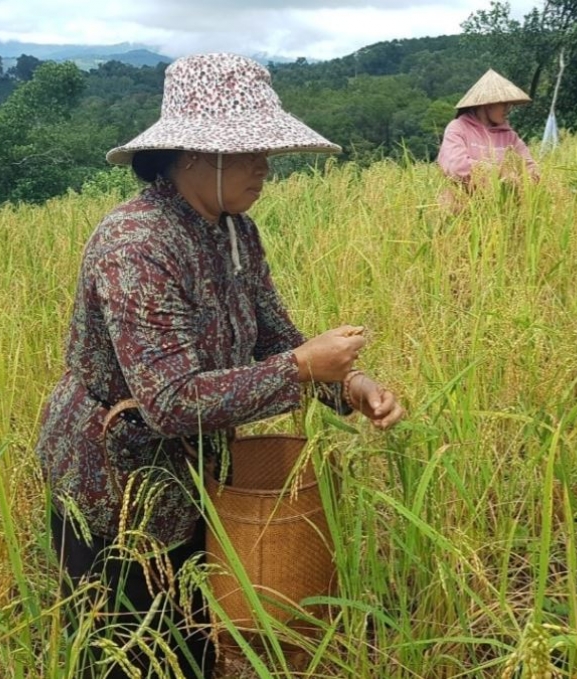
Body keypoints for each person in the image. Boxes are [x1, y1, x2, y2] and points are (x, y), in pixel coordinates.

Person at [35, 52, 405, 678]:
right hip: (113, 483)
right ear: (191, 156)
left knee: (192, 638)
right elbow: (172, 401)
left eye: (267, 151)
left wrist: (350, 386)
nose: (265, 166)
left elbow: (273, 337)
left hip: (196, 476)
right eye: (248, 150)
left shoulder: (237, 230)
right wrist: (302, 367)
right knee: (126, 648)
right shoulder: (137, 245)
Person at [436, 69, 539, 206]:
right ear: (488, 104)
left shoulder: (509, 136)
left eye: (510, 104)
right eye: (504, 103)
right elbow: (456, 166)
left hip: (503, 210)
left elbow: (530, 167)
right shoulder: (458, 128)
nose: (508, 109)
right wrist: (501, 172)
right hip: (463, 209)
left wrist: (524, 183)